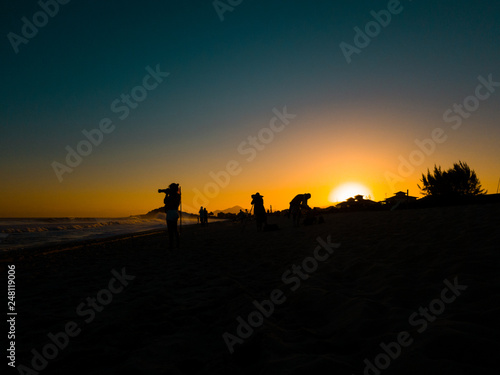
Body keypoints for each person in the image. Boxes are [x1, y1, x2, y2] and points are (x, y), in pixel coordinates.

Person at [161, 183, 181, 249]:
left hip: (170, 213)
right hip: (175, 213)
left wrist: (166, 194)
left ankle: (171, 246)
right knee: (175, 230)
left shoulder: (172, 196)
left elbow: (165, 201)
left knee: (170, 231)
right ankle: (177, 244)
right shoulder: (178, 196)